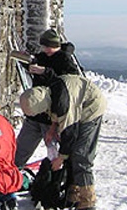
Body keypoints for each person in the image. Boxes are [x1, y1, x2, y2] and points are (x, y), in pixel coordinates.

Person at [19, 72, 106, 210]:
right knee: (73, 154)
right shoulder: (49, 92)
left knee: (80, 155)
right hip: (77, 103)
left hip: (91, 108)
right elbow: (54, 111)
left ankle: (87, 203)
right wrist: (52, 129)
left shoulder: (62, 101)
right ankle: (72, 195)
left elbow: (69, 132)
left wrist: (60, 158)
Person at [14, 28, 81, 168]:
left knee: (55, 154)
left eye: (47, 46)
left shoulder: (64, 60)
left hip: (52, 117)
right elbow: (34, 61)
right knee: (19, 152)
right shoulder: (43, 57)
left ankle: (57, 179)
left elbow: (70, 83)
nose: (45, 49)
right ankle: (11, 176)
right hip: (35, 114)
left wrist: (46, 72)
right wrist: (25, 60)